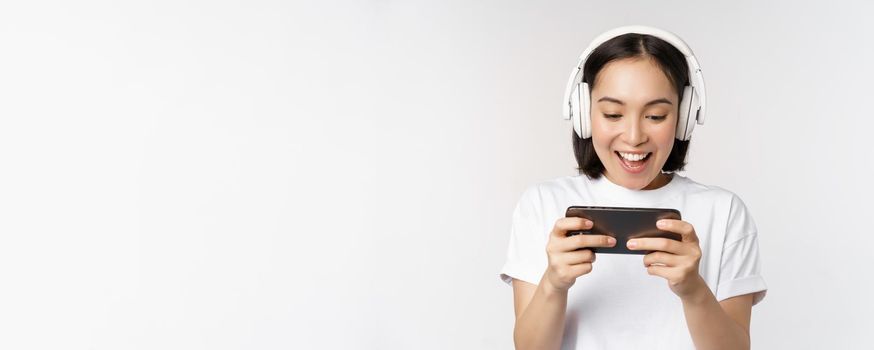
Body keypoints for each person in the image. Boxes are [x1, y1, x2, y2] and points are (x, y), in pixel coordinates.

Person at [499, 26, 767, 350]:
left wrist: (694, 290)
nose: (634, 135)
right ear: (584, 114)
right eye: (613, 113)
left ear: (683, 119)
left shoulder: (724, 212)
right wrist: (554, 284)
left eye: (655, 115)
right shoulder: (541, 204)